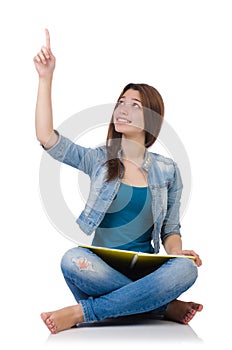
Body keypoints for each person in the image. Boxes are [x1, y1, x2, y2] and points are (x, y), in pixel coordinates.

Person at [34, 29, 203, 335]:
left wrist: (177, 253)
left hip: (147, 267)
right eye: (121, 102)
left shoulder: (168, 170)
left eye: (135, 105)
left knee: (186, 268)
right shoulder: (98, 159)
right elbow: (47, 137)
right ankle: (162, 306)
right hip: (100, 267)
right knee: (72, 260)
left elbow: (171, 230)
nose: (123, 108)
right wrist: (45, 78)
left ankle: (83, 312)